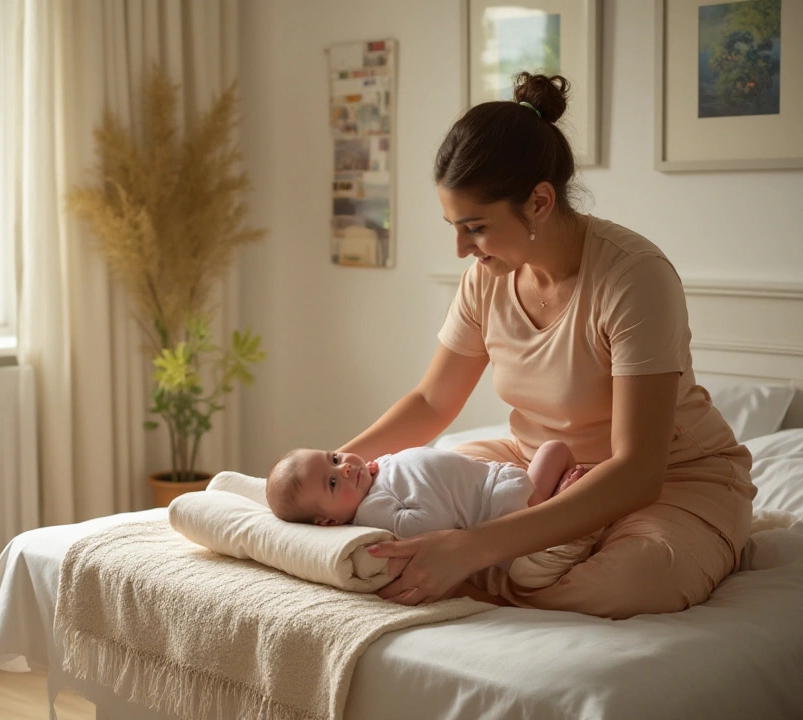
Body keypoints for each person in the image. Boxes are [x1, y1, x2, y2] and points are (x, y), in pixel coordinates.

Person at [338, 72, 756, 619]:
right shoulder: (486, 278)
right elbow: (431, 403)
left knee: (636, 579)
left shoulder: (635, 278)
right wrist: (334, 466)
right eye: (453, 226)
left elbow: (637, 468)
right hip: (536, 470)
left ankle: (490, 577)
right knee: (408, 486)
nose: (462, 247)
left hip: (669, 482)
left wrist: (469, 547)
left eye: (476, 227)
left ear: (539, 202)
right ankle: (518, 565)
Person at [266, 442, 593, 588]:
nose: (346, 466)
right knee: (555, 460)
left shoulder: (372, 472)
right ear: (329, 522)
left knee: (553, 449)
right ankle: (558, 504)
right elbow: (428, 530)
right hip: (505, 512)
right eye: (333, 481)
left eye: (334, 457)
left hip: (497, 478)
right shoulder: (371, 513)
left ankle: (554, 500)